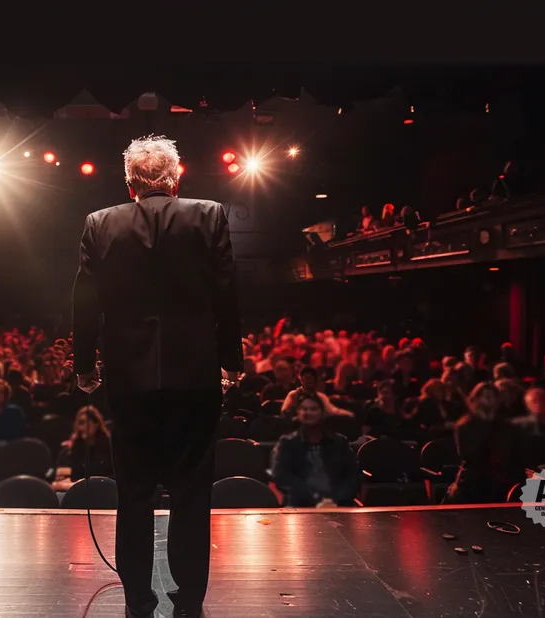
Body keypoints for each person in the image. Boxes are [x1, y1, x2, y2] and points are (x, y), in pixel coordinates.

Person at [72, 135, 243, 618]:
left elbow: (84, 302)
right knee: (192, 493)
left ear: (130, 184)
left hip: (130, 380)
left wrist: (85, 366)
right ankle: (188, 602)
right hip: (196, 378)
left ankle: (137, 601)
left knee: (134, 494)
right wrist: (233, 360)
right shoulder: (209, 214)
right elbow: (226, 294)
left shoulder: (99, 224)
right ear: (176, 177)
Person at [271, 392, 362, 507]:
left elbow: (353, 475)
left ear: (322, 413)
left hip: (340, 505)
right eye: (304, 409)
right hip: (301, 506)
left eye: (313, 409)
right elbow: (281, 475)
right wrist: (314, 498)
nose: (308, 413)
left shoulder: (339, 442)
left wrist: (336, 499)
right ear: (298, 413)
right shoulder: (287, 443)